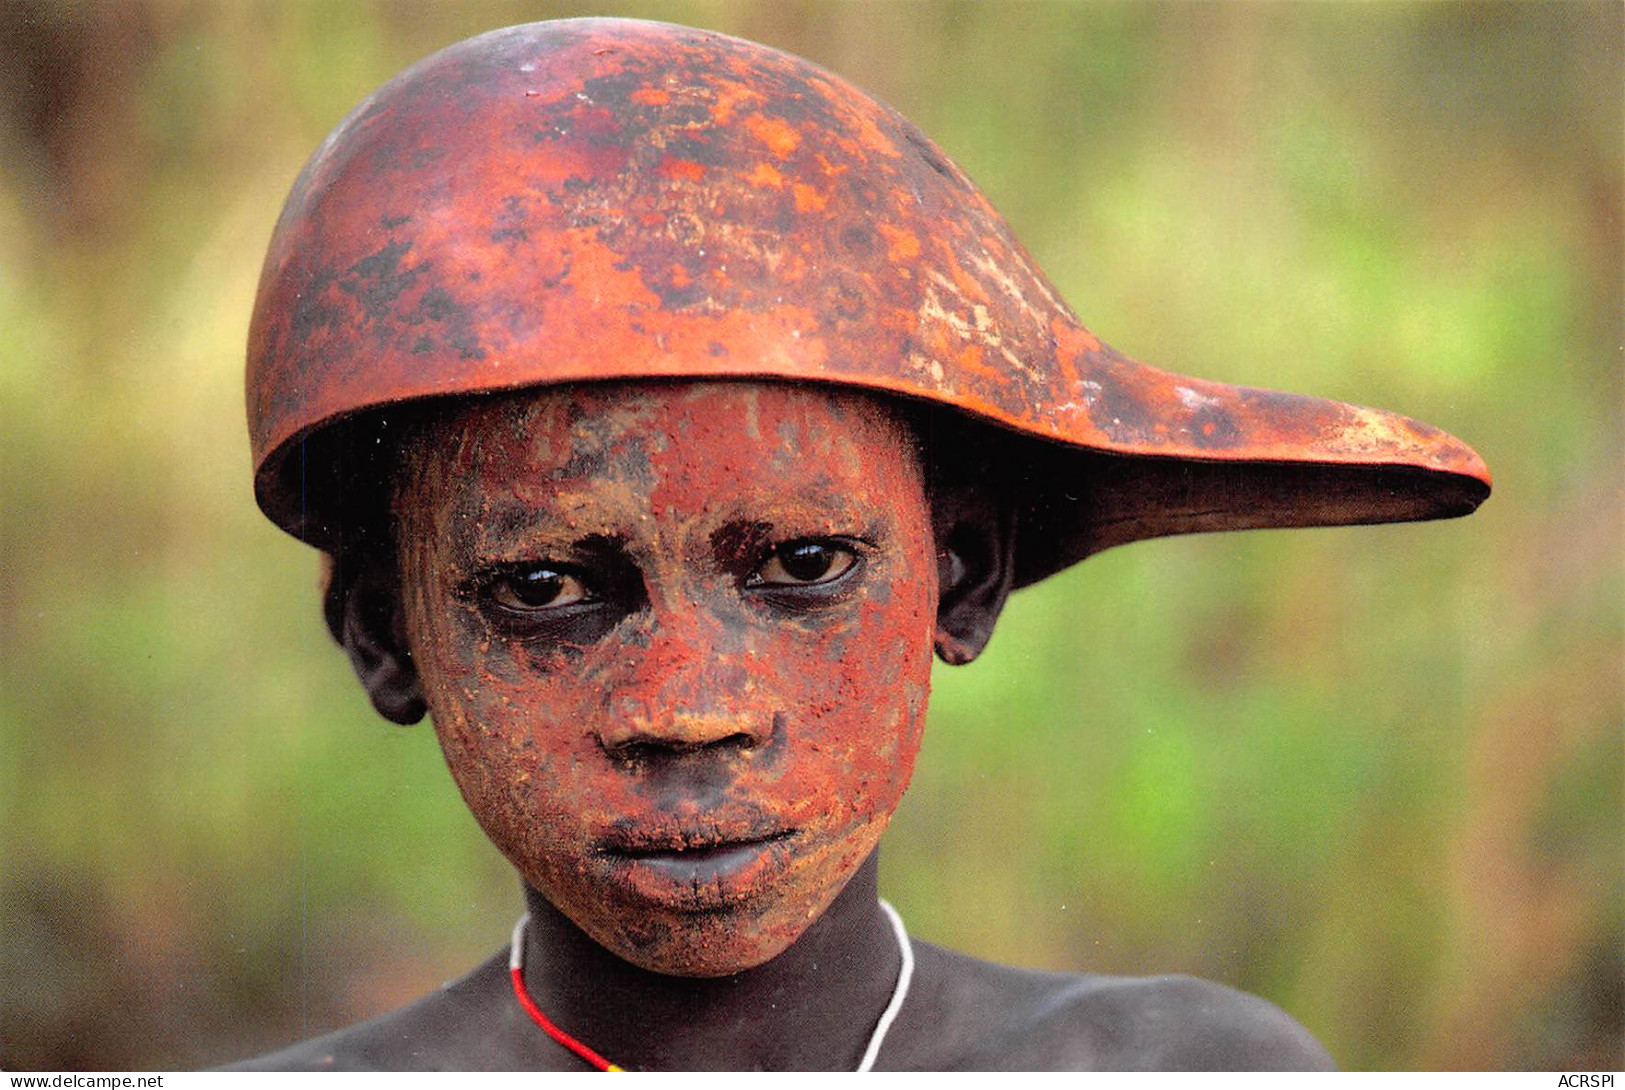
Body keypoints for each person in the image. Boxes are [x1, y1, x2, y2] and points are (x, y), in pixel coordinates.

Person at [229, 18, 1489, 1071]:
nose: (686, 709)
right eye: (548, 588)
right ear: (391, 638)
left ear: (963, 575)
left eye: (802, 567)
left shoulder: (1186, 1069)